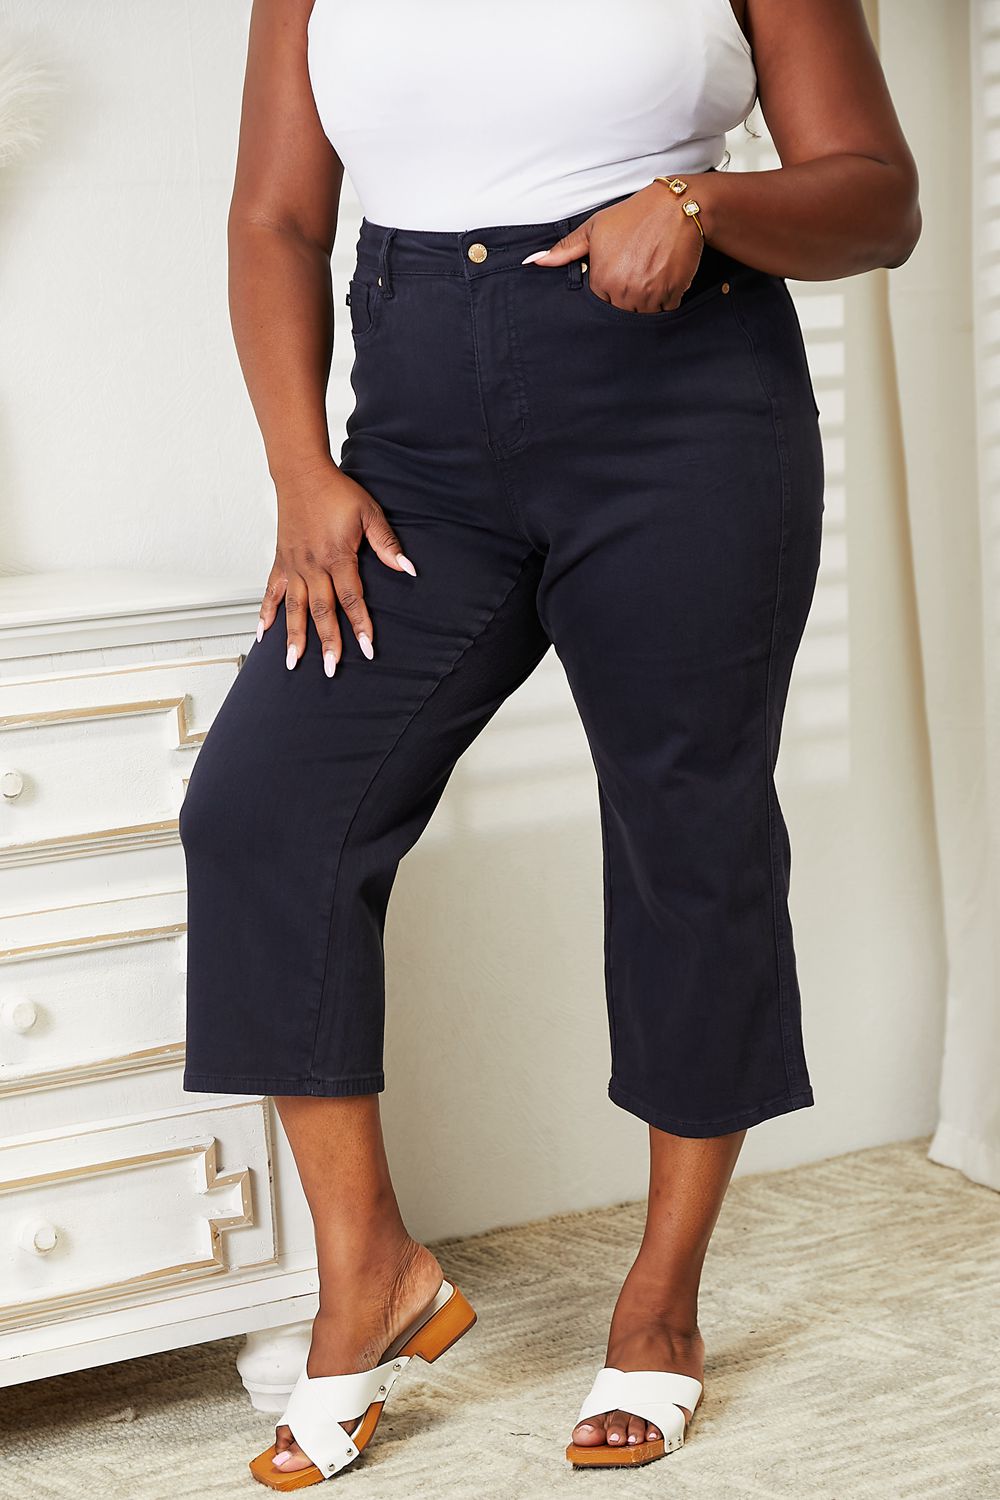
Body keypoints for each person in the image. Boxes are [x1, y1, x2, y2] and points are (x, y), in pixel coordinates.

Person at [178, 0, 920, 1485]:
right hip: (415, 441)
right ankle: (367, 1271)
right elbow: (273, 214)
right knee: (265, 809)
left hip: (685, 416)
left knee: (684, 830)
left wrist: (701, 202)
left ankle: (659, 1310)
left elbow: (880, 196)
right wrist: (300, 471)